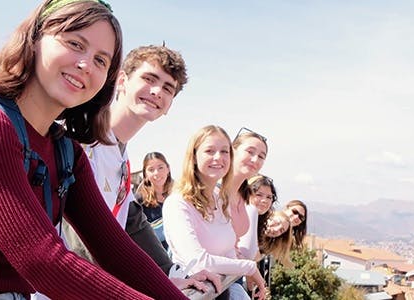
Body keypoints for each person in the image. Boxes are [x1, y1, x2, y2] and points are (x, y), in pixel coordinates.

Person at [0, 1, 188, 299]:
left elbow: (116, 249)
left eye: (101, 60)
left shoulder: (66, 151)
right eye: (74, 43)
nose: (85, 64)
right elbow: (41, 259)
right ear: (35, 39)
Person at [54, 44, 220, 294]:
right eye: (149, 78)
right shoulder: (83, 139)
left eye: (167, 88)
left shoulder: (122, 156)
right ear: (122, 80)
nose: (156, 92)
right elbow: (77, 233)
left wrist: (168, 274)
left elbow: (131, 222)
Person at [163, 125, 267, 300]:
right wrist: (249, 267)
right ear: (194, 157)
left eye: (224, 152)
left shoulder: (220, 199)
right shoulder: (178, 203)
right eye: (210, 151)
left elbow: (228, 251)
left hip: (220, 291)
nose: (218, 157)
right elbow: (197, 262)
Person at [224, 128, 269, 247]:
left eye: (261, 156)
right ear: (232, 151)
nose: (255, 160)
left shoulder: (245, 197)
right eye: (250, 152)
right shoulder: (213, 191)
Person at [136, 152, 173, 250]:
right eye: (151, 170)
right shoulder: (139, 201)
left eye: (160, 167)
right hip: (157, 258)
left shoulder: (180, 196)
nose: (156, 173)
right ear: (145, 174)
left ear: (168, 169)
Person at [236, 174, 278, 261]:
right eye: (259, 195)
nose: (264, 201)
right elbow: (248, 254)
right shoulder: (248, 211)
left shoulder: (259, 220)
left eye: (269, 197)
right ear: (247, 195)